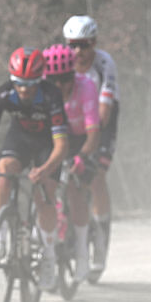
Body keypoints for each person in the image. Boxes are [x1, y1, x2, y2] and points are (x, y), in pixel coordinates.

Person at [0, 46, 69, 292]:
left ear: (40, 79)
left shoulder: (51, 96)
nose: (24, 89)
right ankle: (0, 234)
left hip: (48, 145)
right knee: (5, 170)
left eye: (31, 83)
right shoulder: (2, 94)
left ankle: (48, 253)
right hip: (21, 138)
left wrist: (45, 169)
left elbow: (62, 145)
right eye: (19, 83)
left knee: (45, 192)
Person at [62, 15, 120, 274]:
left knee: (96, 175)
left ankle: (101, 238)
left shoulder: (104, 63)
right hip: (73, 121)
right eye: (73, 45)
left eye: (84, 45)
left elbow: (104, 113)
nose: (78, 52)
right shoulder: (63, 64)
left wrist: (90, 140)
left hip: (101, 121)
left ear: (94, 44)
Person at [43, 43, 100, 282]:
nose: (60, 87)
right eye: (54, 81)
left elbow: (94, 133)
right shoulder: (44, 90)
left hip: (81, 140)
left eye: (65, 80)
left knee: (76, 191)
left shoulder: (86, 87)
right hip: (55, 139)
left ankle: (82, 253)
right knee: (46, 187)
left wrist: (82, 156)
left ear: (72, 76)